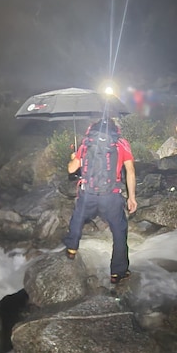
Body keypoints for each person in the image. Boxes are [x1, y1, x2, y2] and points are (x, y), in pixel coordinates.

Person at [64, 118, 138, 284]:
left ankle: (71, 247)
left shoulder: (87, 142)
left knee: (78, 217)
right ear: (115, 130)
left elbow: (71, 169)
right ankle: (117, 272)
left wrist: (74, 157)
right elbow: (130, 171)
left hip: (88, 194)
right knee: (119, 231)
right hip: (110, 196)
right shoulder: (120, 143)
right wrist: (132, 197)